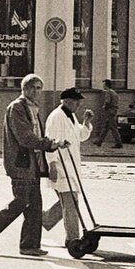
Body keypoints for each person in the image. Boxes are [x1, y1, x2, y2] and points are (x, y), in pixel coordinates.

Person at [0, 74, 68, 257]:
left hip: (31, 165)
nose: (36, 91)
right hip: (20, 164)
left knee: (34, 206)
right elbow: (25, 137)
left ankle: (29, 245)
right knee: (21, 201)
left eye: (39, 88)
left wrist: (52, 143)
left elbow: (37, 135)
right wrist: (50, 144)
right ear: (24, 89)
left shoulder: (32, 108)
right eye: (33, 87)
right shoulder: (17, 107)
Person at [42, 87, 94, 247]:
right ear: (66, 101)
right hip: (60, 165)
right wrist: (52, 165)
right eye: (76, 101)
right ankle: (73, 239)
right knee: (71, 202)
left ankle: (43, 219)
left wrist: (86, 122)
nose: (78, 104)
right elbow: (49, 141)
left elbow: (81, 136)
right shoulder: (56, 117)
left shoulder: (70, 115)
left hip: (71, 165)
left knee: (68, 201)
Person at [92, 78, 122, 149]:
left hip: (110, 111)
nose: (103, 85)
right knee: (106, 126)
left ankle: (119, 143)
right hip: (113, 110)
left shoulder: (108, 92)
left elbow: (107, 102)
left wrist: (104, 108)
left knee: (113, 127)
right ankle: (99, 141)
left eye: (103, 84)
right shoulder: (114, 92)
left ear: (106, 85)